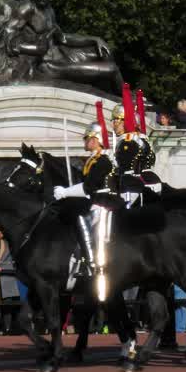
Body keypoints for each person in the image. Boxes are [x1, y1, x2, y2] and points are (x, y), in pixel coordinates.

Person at [53, 105, 118, 297]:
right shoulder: (92, 160)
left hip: (104, 204)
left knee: (91, 229)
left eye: (88, 138)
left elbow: (89, 187)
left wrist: (66, 192)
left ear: (96, 139)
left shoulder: (102, 161)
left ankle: (93, 263)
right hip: (96, 200)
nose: (85, 141)